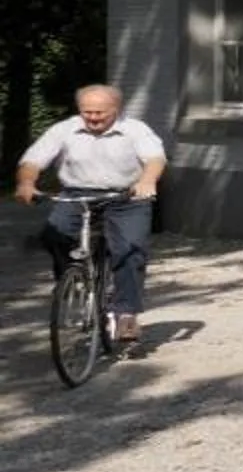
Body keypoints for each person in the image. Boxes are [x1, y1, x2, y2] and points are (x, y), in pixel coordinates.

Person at [16, 83, 168, 357]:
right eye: (88, 112)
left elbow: (155, 158)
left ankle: (126, 315)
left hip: (126, 196)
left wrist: (147, 180)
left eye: (100, 113)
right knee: (54, 233)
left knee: (130, 249)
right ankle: (74, 280)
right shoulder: (65, 129)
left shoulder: (135, 129)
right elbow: (33, 160)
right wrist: (27, 183)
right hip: (77, 194)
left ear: (116, 110)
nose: (94, 118)